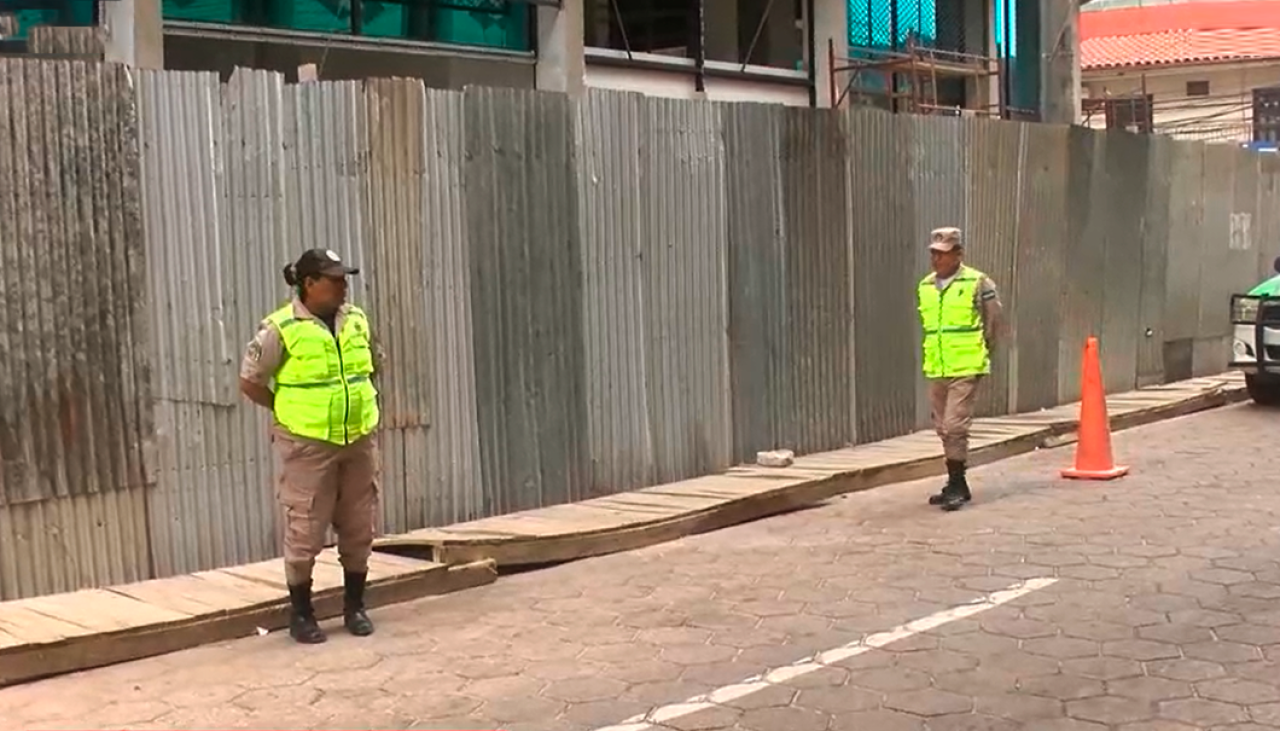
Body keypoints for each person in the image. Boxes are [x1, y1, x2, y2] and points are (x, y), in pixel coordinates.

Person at [239, 248, 385, 643]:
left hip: (357, 438)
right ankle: (302, 614)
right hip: (307, 445)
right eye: (334, 279)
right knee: (305, 526)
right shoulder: (280, 328)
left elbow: (372, 366)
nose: (343, 286)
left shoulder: (355, 320)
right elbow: (250, 382)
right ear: (309, 284)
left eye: (344, 278)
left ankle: (355, 606)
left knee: (359, 525)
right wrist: (286, 410)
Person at [916, 227, 1003, 512]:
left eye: (942, 254)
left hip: (966, 364)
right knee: (943, 428)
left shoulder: (978, 282)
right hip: (938, 366)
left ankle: (957, 483)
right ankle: (957, 484)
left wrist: (983, 351)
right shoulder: (926, 286)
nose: (936, 259)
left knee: (955, 425)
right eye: (933, 253)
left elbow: (994, 322)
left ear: (958, 254)